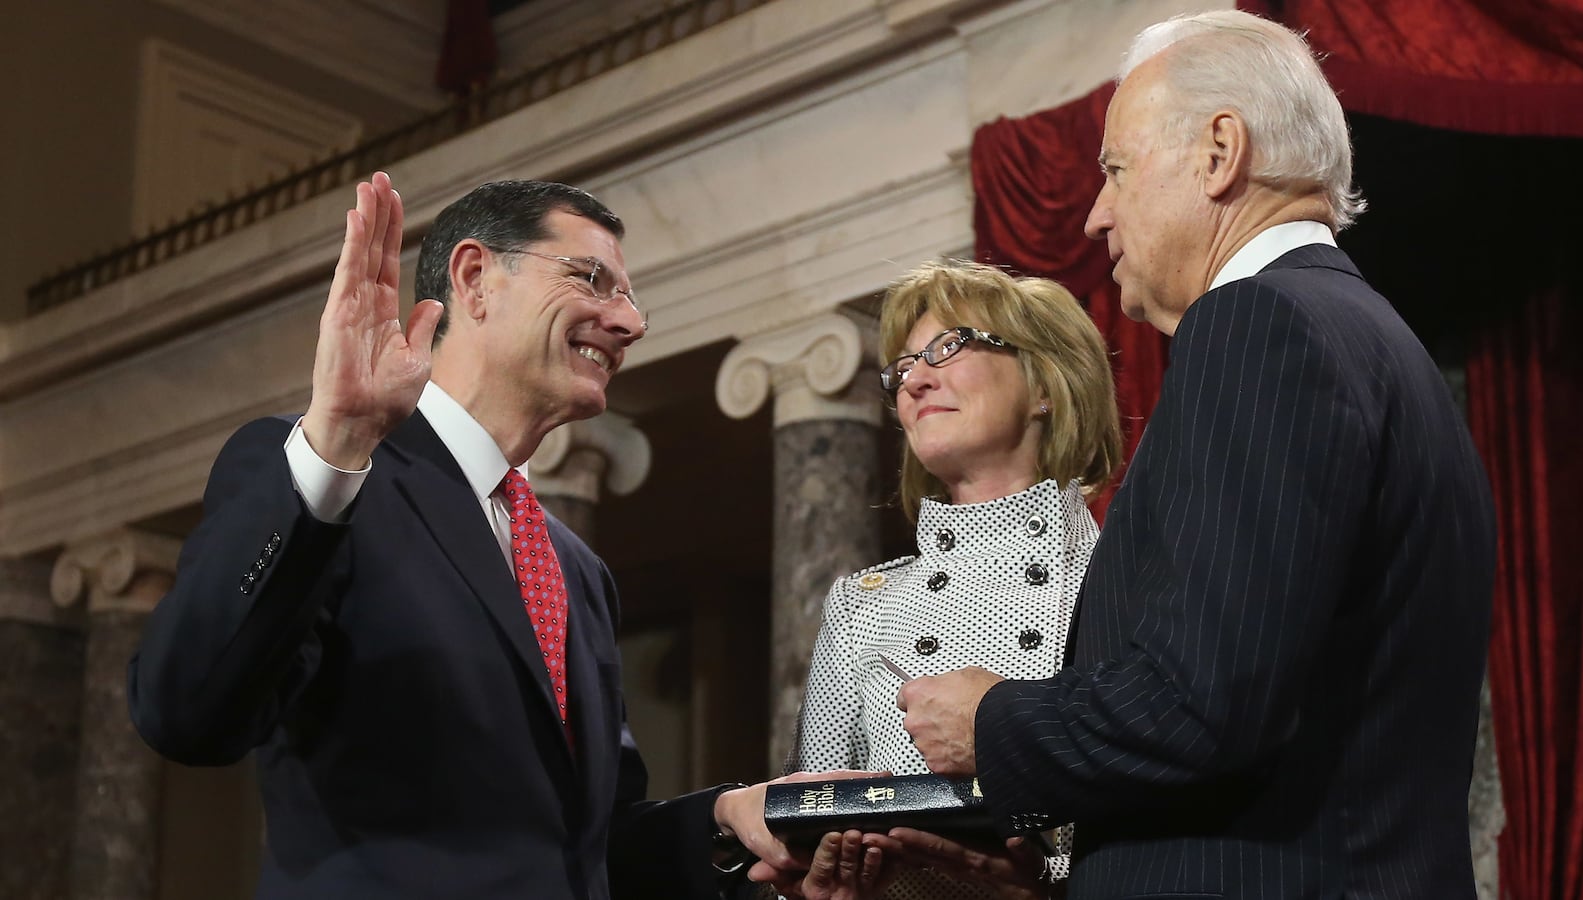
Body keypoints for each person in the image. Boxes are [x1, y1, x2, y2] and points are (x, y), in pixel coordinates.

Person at [897, 10, 1496, 900]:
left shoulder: (1261, 325)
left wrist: (994, 725)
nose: (1098, 214)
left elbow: (1203, 701)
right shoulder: (1375, 340)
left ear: (1220, 152)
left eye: (1115, 169)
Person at [127, 172, 813, 899]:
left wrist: (726, 815)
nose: (630, 322)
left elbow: (583, 845)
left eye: (631, 298)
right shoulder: (327, 483)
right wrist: (333, 450)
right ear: (476, 278)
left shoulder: (574, 569)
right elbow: (186, 712)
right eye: (592, 279)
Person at [771, 261, 1123, 900]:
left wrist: (1045, 883)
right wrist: (816, 879)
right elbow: (810, 823)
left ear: (1045, 382)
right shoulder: (861, 606)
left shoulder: (1121, 579)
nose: (915, 381)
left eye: (949, 346)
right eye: (902, 369)